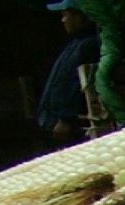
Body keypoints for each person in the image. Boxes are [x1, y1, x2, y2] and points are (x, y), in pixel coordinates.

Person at [36, 0, 101, 141]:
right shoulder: (74, 44)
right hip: (54, 120)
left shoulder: (89, 45)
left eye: (65, 15)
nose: (63, 20)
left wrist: (66, 118)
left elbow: (77, 84)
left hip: (71, 124)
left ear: (79, 17)